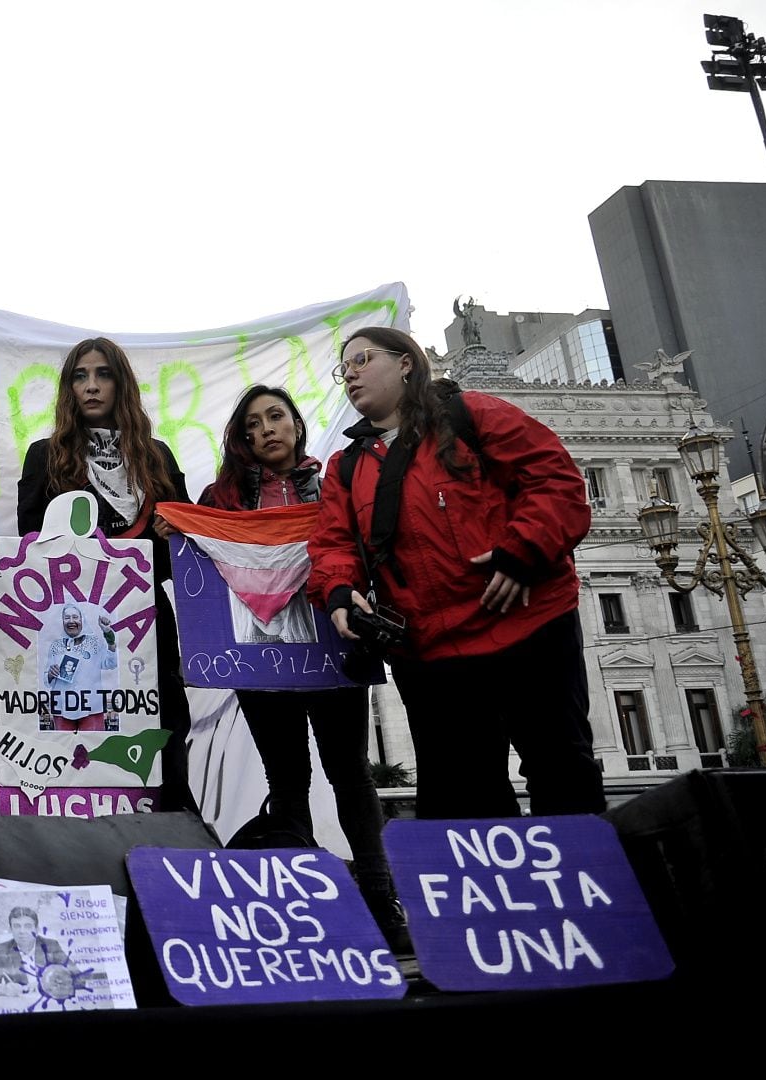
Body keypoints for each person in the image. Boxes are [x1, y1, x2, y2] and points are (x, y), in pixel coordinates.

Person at [307, 326, 602, 819]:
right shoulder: (345, 466)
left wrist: (523, 548)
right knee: (463, 797)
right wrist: (339, 591)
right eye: (344, 368)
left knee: (561, 771)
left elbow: (555, 480)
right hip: (432, 651)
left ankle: (586, 890)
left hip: (528, 626)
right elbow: (333, 544)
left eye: (363, 359)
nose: (351, 374)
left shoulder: (474, 414)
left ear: (406, 362)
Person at [198, 383, 404, 945]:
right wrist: (180, 529)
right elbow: (206, 566)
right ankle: (303, 905)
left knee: (350, 773)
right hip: (260, 658)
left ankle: (382, 902)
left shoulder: (334, 483)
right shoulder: (220, 500)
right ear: (242, 439)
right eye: (253, 424)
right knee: (286, 779)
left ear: (296, 424)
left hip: (334, 646)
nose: (267, 429)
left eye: (276, 417)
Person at [15, 337, 194, 812]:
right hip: (72, 632)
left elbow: (186, 550)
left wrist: (170, 532)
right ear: (69, 389)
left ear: (122, 384)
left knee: (166, 731)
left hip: (147, 622)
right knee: (80, 736)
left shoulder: (156, 456)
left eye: (103, 374)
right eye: (80, 376)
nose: (91, 386)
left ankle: (174, 837)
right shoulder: (44, 457)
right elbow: (30, 549)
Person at [40, 603, 118, 732]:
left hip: (92, 708)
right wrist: (50, 674)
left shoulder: (94, 643)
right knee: (62, 748)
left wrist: (108, 635)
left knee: (93, 747)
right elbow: (46, 679)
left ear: (82, 620)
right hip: (62, 708)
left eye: (75, 617)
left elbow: (111, 663)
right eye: (67, 618)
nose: (71, 621)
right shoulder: (55, 645)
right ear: (62, 621)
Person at [0, 906, 69, 999]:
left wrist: (44, 984)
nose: (22, 931)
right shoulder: (3, 949)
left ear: (36, 929)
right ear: (11, 930)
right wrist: (3, 989)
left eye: (28, 926)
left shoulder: (50, 946)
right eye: (17, 926)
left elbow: (78, 977)